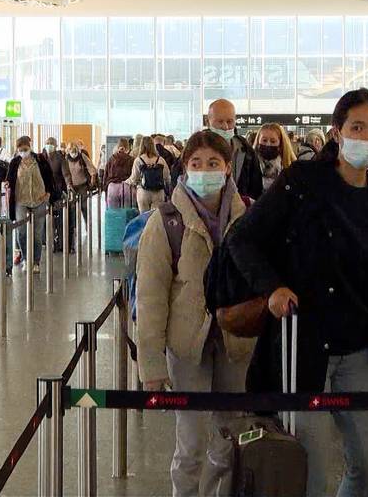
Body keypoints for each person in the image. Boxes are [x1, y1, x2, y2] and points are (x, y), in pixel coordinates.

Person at [228, 88, 368, 497]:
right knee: (309, 471)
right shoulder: (303, 182)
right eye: (357, 128)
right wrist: (273, 287)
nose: (367, 138)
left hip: (361, 347)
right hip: (305, 344)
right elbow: (242, 239)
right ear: (336, 131)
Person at [136, 130, 257, 497]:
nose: (205, 170)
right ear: (185, 168)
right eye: (196, 163)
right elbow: (151, 297)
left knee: (229, 438)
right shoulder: (166, 222)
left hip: (236, 343)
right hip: (187, 345)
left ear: (227, 168)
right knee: (189, 443)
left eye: (214, 163)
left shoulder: (248, 215)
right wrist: (151, 367)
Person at [6, 136, 55, 273]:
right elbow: (9, 178)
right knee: (21, 232)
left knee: (37, 234)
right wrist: (7, 184)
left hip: (39, 199)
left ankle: (36, 262)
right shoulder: (15, 163)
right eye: (20, 150)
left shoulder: (40, 160)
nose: (23, 152)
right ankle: (26, 259)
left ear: (30, 147)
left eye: (25, 149)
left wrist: (48, 194)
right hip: (21, 200)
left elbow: (49, 177)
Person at [206, 99, 264, 199]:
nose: (225, 127)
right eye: (220, 121)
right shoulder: (195, 149)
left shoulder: (246, 151)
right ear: (208, 122)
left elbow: (256, 189)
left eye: (229, 121)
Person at [66, 142, 97, 251]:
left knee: (84, 208)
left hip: (82, 186)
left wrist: (93, 177)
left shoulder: (82, 157)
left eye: (75, 151)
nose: (73, 153)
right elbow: (64, 173)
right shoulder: (65, 159)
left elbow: (91, 168)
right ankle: (73, 231)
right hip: (71, 187)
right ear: (68, 151)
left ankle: (88, 228)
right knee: (72, 210)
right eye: (71, 151)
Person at [127, 136, 171, 212]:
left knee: (144, 218)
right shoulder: (160, 160)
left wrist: (126, 182)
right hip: (158, 192)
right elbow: (167, 177)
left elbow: (134, 178)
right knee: (155, 219)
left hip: (143, 192)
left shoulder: (138, 160)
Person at [253, 122, 296, 192]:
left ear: (281, 144)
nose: (268, 144)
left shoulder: (290, 167)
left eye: (273, 141)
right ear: (258, 141)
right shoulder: (250, 164)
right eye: (264, 140)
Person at [103, 138, 136, 208]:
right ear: (128, 147)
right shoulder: (131, 159)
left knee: (114, 213)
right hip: (127, 187)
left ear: (117, 146)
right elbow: (134, 175)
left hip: (112, 187)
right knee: (127, 212)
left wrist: (105, 188)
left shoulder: (111, 159)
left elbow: (106, 175)